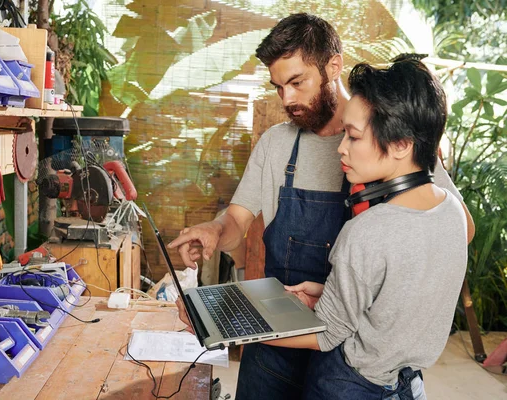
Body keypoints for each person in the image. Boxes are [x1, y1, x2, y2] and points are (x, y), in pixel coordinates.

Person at [167, 13, 474, 399]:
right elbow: (237, 219)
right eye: (279, 87)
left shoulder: (395, 139)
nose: (288, 99)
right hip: (276, 353)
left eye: (297, 82)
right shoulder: (277, 144)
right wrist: (215, 231)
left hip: (354, 362)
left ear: (333, 66)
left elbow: (456, 228)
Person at [261, 57, 467, 400]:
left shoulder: (368, 229)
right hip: (408, 387)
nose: (341, 147)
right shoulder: (452, 211)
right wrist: (334, 292)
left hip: (347, 386)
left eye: (353, 136)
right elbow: (400, 302)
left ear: (402, 144)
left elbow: (326, 335)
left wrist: (230, 331)